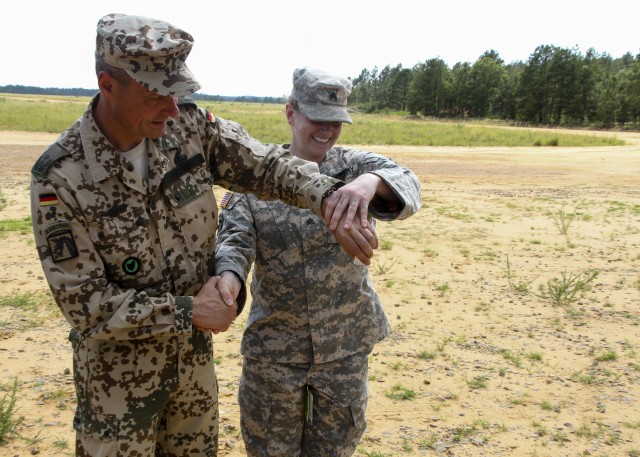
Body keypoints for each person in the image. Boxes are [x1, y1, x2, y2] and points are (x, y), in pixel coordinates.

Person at [29, 15, 377, 456]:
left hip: (193, 375)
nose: (172, 108)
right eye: (157, 92)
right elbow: (86, 304)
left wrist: (329, 196)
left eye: (177, 93)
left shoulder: (190, 128)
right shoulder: (59, 176)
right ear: (107, 83)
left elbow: (265, 165)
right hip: (117, 388)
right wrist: (189, 311)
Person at [214, 67, 422, 457]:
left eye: (335, 121)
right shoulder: (259, 174)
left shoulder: (353, 167)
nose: (327, 130)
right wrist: (229, 278)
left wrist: (370, 182)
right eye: (317, 118)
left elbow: (408, 182)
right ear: (291, 112)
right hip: (275, 351)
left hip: (343, 347)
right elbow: (234, 241)